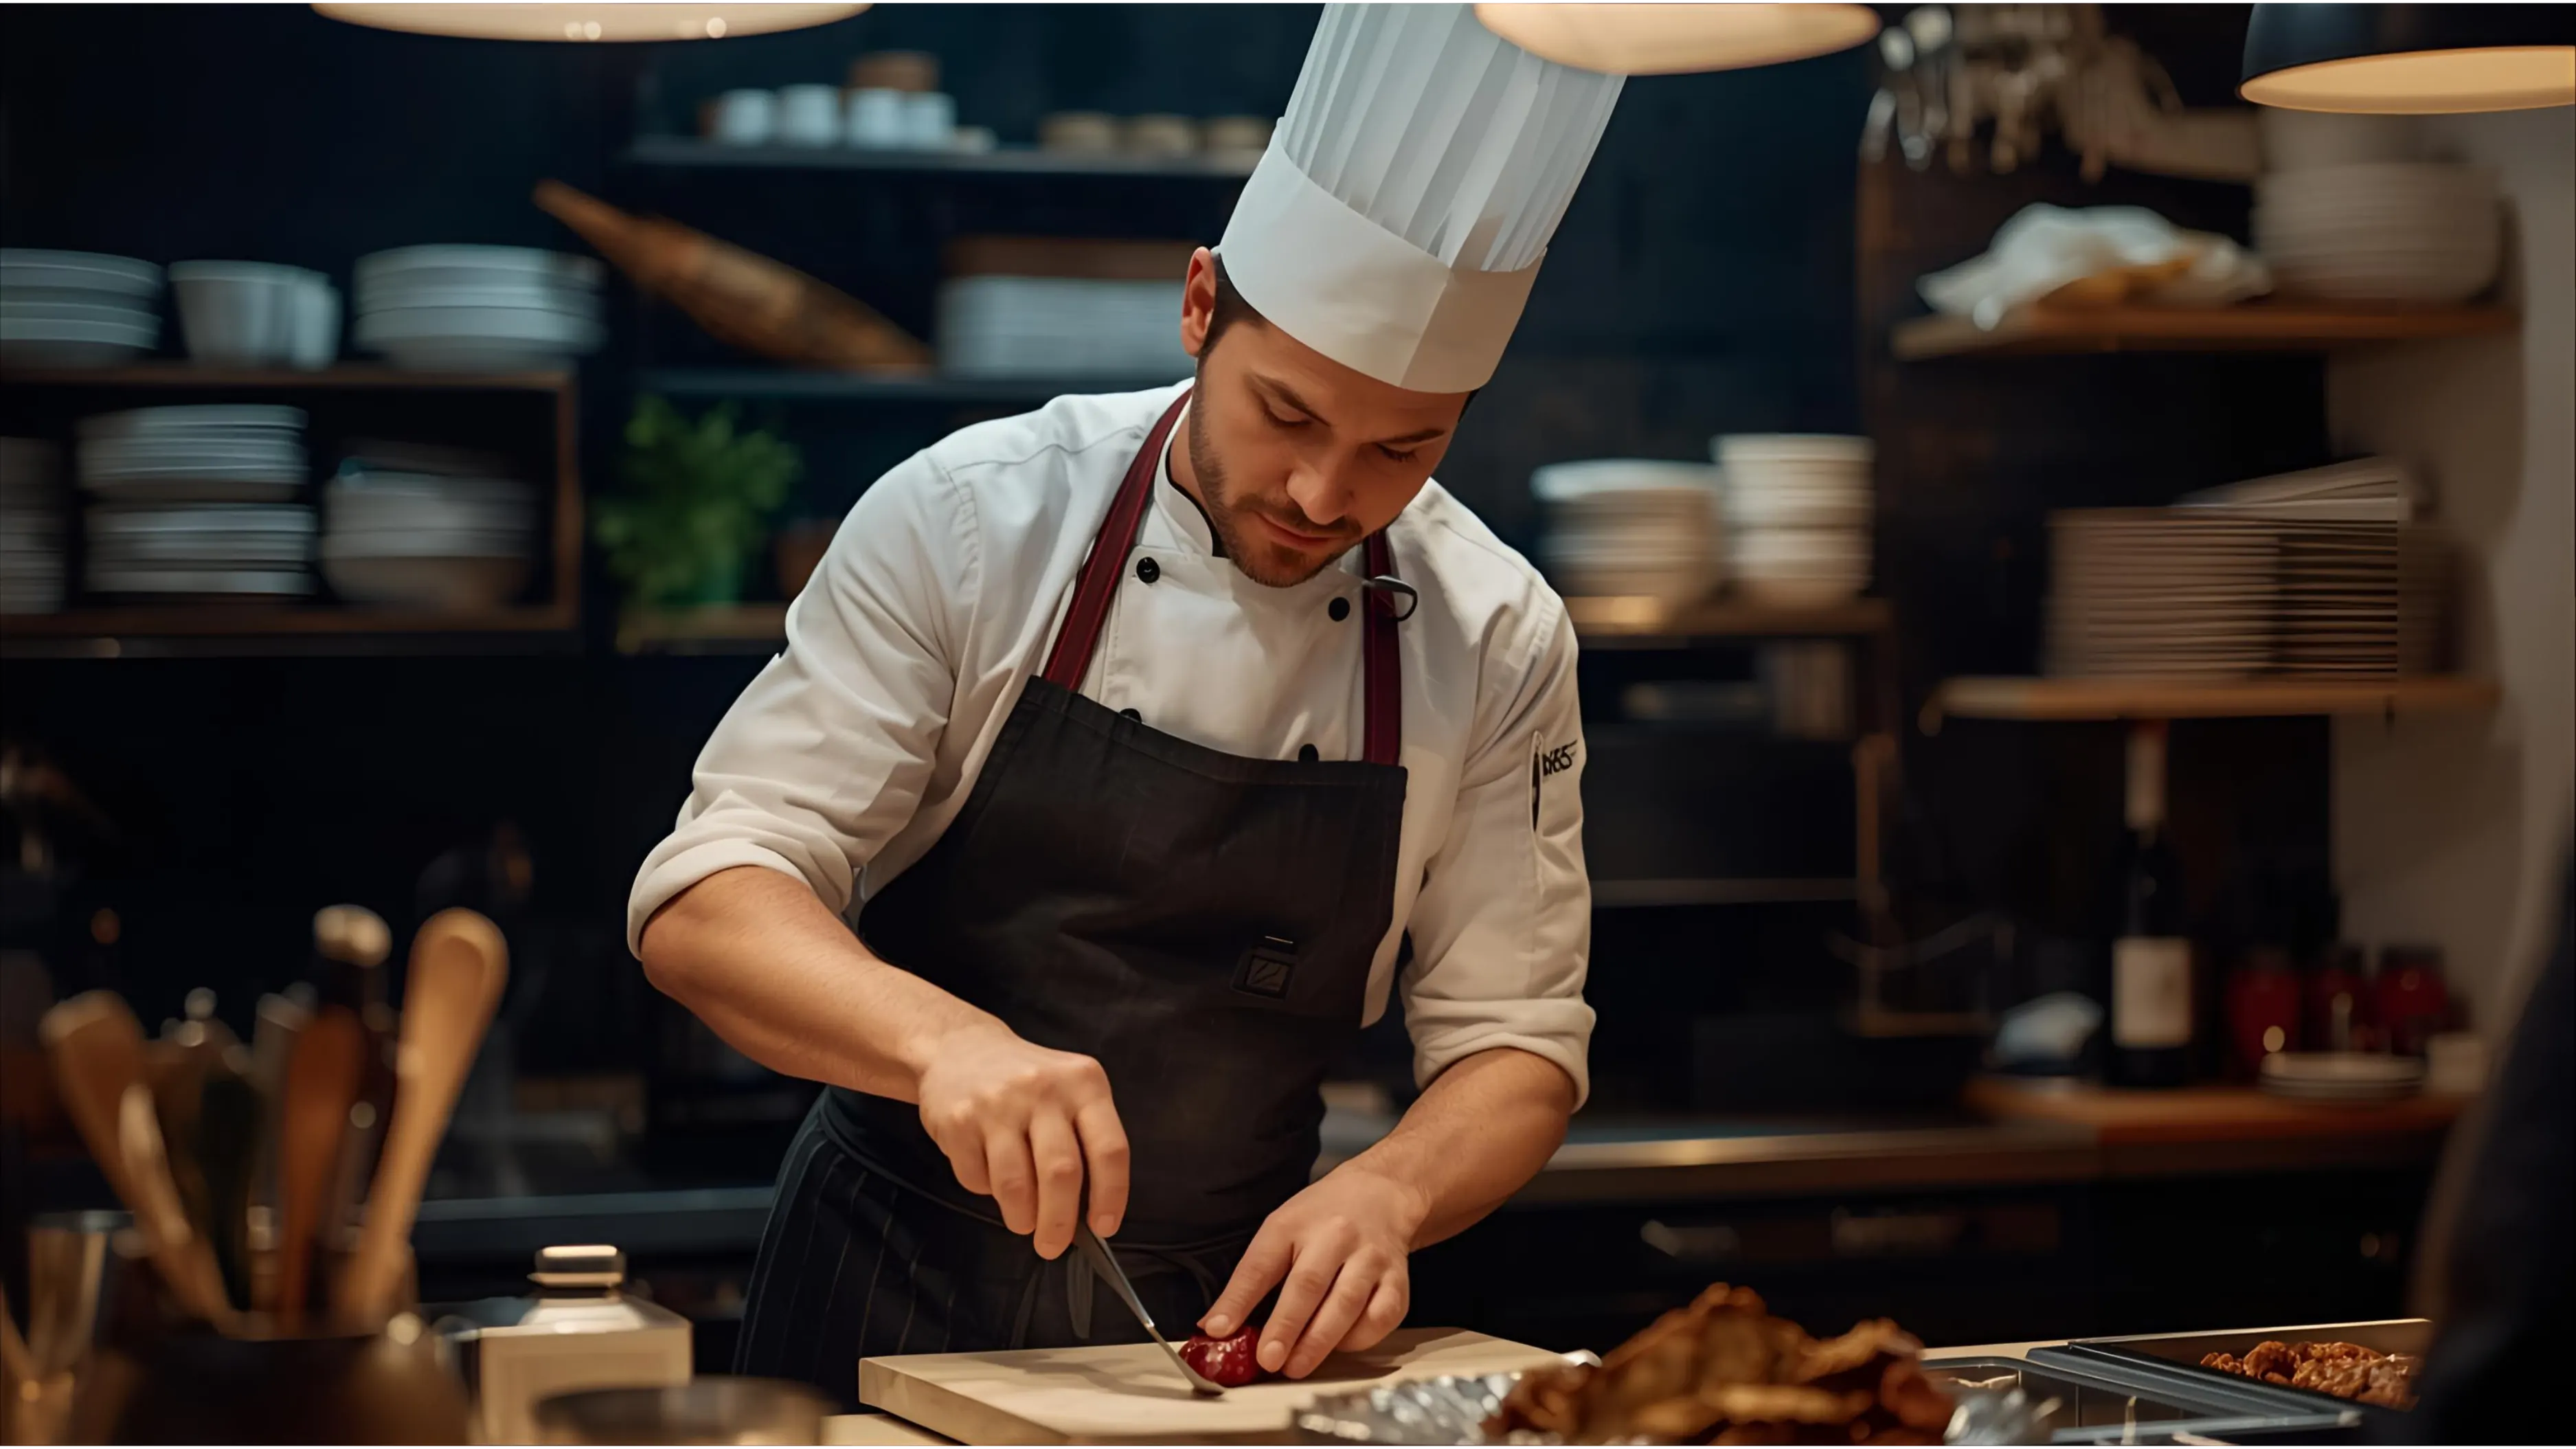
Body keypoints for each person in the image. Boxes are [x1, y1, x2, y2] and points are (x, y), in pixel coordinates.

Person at [627, 3, 1625, 1406]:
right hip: (882, 1290)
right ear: (1200, 305)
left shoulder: (1495, 629)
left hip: (1232, 1329)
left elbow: (1516, 1041)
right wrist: (947, 1044)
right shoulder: (973, 520)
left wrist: (1391, 1190)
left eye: (1402, 449)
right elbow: (708, 902)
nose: (1325, 494)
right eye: (1287, 415)